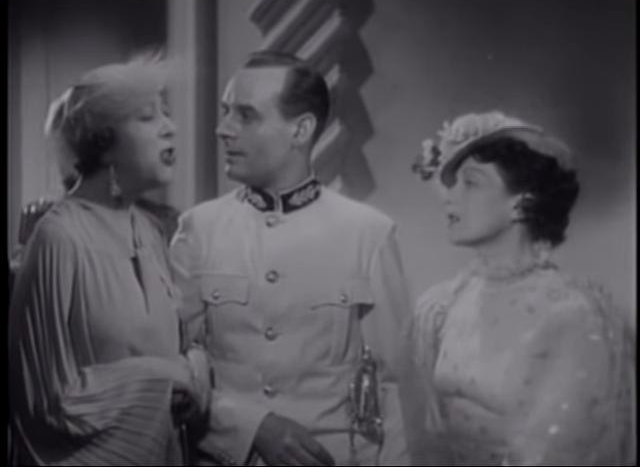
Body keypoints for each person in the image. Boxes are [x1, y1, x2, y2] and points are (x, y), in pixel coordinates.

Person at [170, 51, 416, 466]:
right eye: (226, 112)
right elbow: (171, 371)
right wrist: (252, 427)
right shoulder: (198, 229)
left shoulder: (368, 234)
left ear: (300, 130)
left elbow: (396, 390)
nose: (223, 129)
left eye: (246, 115)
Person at [8, 55, 212, 465]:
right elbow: (45, 401)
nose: (169, 128)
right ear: (103, 141)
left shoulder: (150, 232)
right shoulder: (59, 237)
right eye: (147, 117)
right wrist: (164, 375)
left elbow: (179, 343)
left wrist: (195, 369)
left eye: (166, 113)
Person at [408, 111, 636, 465]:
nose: (449, 198)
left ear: (521, 202)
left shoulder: (574, 314)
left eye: (471, 183)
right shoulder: (445, 305)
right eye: (452, 184)